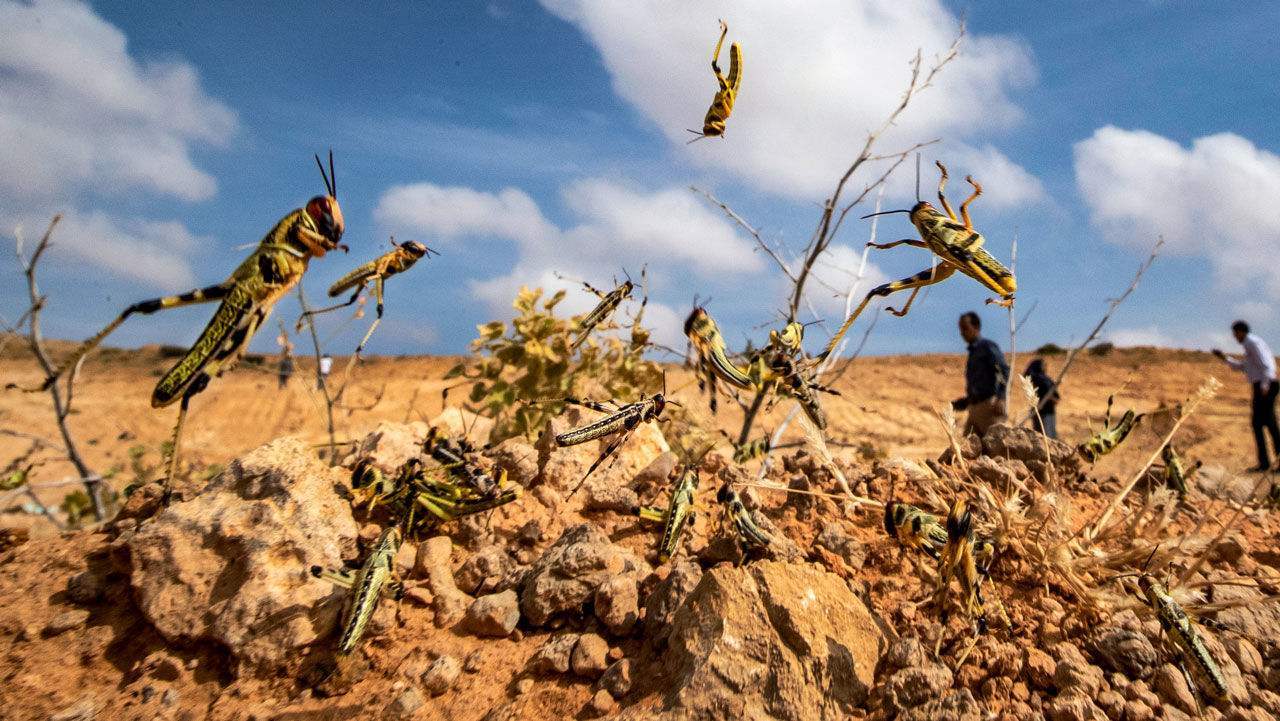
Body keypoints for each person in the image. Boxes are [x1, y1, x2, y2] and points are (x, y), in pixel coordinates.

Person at [1213, 320, 1279, 472]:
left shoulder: (1253, 343)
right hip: (1263, 385)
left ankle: (1269, 463)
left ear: (1241, 331)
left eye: (1235, 333)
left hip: (1266, 385)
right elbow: (1242, 367)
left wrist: (1265, 386)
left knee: (1269, 424)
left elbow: (1267, 364)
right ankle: (1265, 463)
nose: (1235, 337)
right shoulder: (1248, 346)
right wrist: (1224, 358)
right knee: (1260, 424)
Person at [951, 311, 1009, 437]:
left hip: (989, 407)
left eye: (965, 328)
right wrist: (964, 402)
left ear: (976, 327)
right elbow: (978, 383)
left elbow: (1004, 370)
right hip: (974, 409)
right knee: (967, 450)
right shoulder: (973, 353)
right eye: (961, 329)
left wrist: (1001, 397)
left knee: (998, 446)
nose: (962, 333)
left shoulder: (987, 347)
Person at [1024, 358, 1060, 439]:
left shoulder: (1040, 378)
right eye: (1043, 365)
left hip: (1043, 410)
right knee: (1046, 436)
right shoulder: (1041, 379)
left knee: (1044, 436)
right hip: (1044, 411)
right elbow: (1054, 396)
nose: (1045, 367)